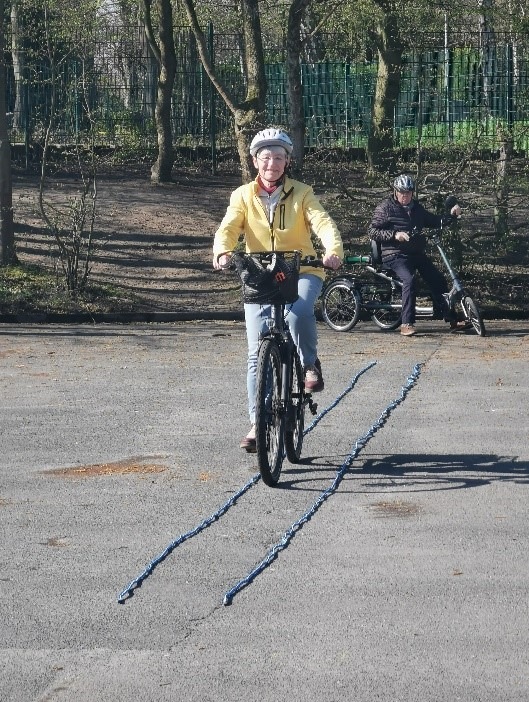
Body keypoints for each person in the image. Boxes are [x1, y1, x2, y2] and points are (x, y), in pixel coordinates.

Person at [213, 127, 343, 451]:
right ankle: (258, 422)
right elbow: (229, 227)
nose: (272, 163)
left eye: (279, 157)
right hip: (261, 275)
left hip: (303, 269)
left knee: (299, 312)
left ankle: (309, 363)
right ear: (256, 160)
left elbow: (322, 222)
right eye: (266, 157)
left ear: (288, 161)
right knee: (257, 353)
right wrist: (222, 251)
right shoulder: (242, 195)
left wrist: (332, 251)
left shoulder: (302, 193)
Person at [368, 174, 463, 336]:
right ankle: (406, 323)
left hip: (415, 254)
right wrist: (394, 234)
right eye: (402, 192)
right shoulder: (386, 208)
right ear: (395, 191)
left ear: (413, 193)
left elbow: (436, 221)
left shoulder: (417, 209)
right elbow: (372, 231)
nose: (405, 196)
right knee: (409, 280)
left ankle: (453, 319)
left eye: (408, 193)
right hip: (394, 254)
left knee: (437, 279)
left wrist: (452, 215)